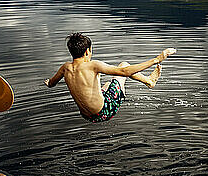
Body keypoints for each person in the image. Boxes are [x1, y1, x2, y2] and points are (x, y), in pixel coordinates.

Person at [44, 32, 176, 122]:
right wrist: (157, 59)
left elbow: (52, 83)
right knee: (123, 65)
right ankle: (149, 81)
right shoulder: (93, 65)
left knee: (106, 85)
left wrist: (48, 82)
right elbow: (124, 71)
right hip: (104, 112)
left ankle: (148, 81)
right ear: (87, 51)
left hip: (87, 116)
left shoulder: (65, 68)